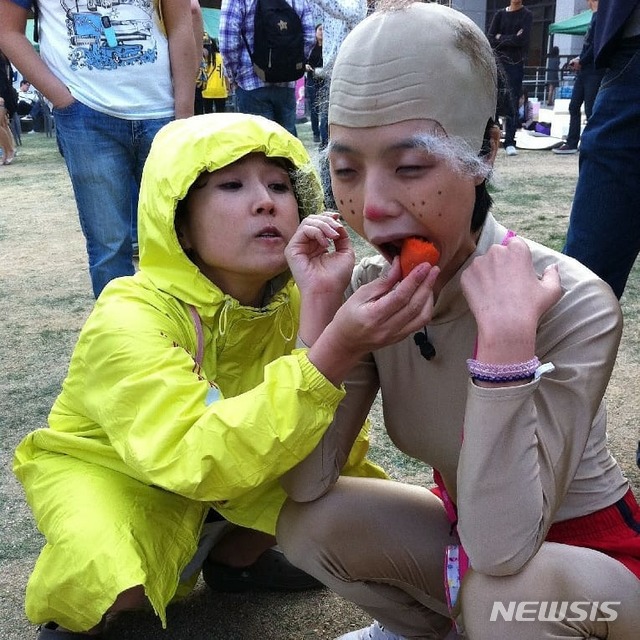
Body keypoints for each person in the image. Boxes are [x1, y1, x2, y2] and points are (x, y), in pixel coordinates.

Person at [276, 4, 640, 640]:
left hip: (589, 579)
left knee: (507, 595)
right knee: (307, 522)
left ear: (486, 150)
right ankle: (437, 631)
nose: (376, 206)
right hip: (467, 561)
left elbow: (504, 549)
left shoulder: (571, 299)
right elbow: (308, 481)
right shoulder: (370, 294)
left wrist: (504, 355)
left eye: (411, 166)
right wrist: (327, 329)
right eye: (347, 170)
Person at [12, 111, 437, 638]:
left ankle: (236, 560)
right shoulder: (129, 313)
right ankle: (88, 615)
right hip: (119, 469)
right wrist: (333, 349)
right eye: (231, 185)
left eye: (280, 185)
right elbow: (193, 455)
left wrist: (320, 313)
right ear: (179, 225)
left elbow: (329, 450)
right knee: (107, 577)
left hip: (238, 471)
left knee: (352, 507)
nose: (266, 201)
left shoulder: (304, 294)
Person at [0, 0, 198, 298]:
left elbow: (184, 18)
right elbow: (7, 29)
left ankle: (183, 333)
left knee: (180, 238)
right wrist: (61, 99)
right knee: (112, 245)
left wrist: (183, 113)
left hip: (163, 112)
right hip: (87, 113)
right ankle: (122, 338)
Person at [219, 0, 316, 136]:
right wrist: (293, 65)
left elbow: (227, 45)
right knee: (287, 146)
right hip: (287, 83)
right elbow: (310, 37)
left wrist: (232, 76)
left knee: (259, 146)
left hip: (251, 82)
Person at [311, 0, 367, 151]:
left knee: (344, 127)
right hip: (331, 72)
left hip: (351, 74)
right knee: (327, 127)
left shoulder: (356, 3)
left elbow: (347, 12)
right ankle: (328, 170)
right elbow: (312, 14)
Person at [553, 0, 605, 155]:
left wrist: (581, 60)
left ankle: (589, 142)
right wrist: (579, 59)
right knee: (574, 106)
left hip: (594, 71)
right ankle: (572, 142)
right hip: (585, 71)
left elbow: (596, 46)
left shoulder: (601, 17)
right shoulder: (593, 17)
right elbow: (590, 46)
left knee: (590, 109)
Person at [488, 0, 533, 157]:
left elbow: (523, 40)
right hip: (498, 63)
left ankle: (510, 141)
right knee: (494, 99)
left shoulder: (526, 15)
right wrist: (512, 38)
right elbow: (491, 39)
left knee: (513, 101)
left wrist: (502, 38)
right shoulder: (499, 14)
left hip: (516, 64)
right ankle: (490, 138)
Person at [305, 23, 324, 145]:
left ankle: (324, 132)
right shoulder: (310, 46)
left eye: (324, 30)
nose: (322, 32)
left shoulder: (329, 46)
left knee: (325, 107)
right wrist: (305, 65)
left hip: (325, 78)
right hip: (312, 78)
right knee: (314, 107)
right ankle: (316, 133)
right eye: (320, 29)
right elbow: (303, 60)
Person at [201, 38, 229, 114]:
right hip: (220, 90)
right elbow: (226, 74)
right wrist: (228, 86)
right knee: (221, 115)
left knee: (208, 114)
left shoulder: (204, 58)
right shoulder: (222, 57)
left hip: (206, 90)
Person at [0, 94, 16, 164]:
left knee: (2, 124)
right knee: (3, 124)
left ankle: (9, 150)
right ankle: (6, 151)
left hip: (4, 94)